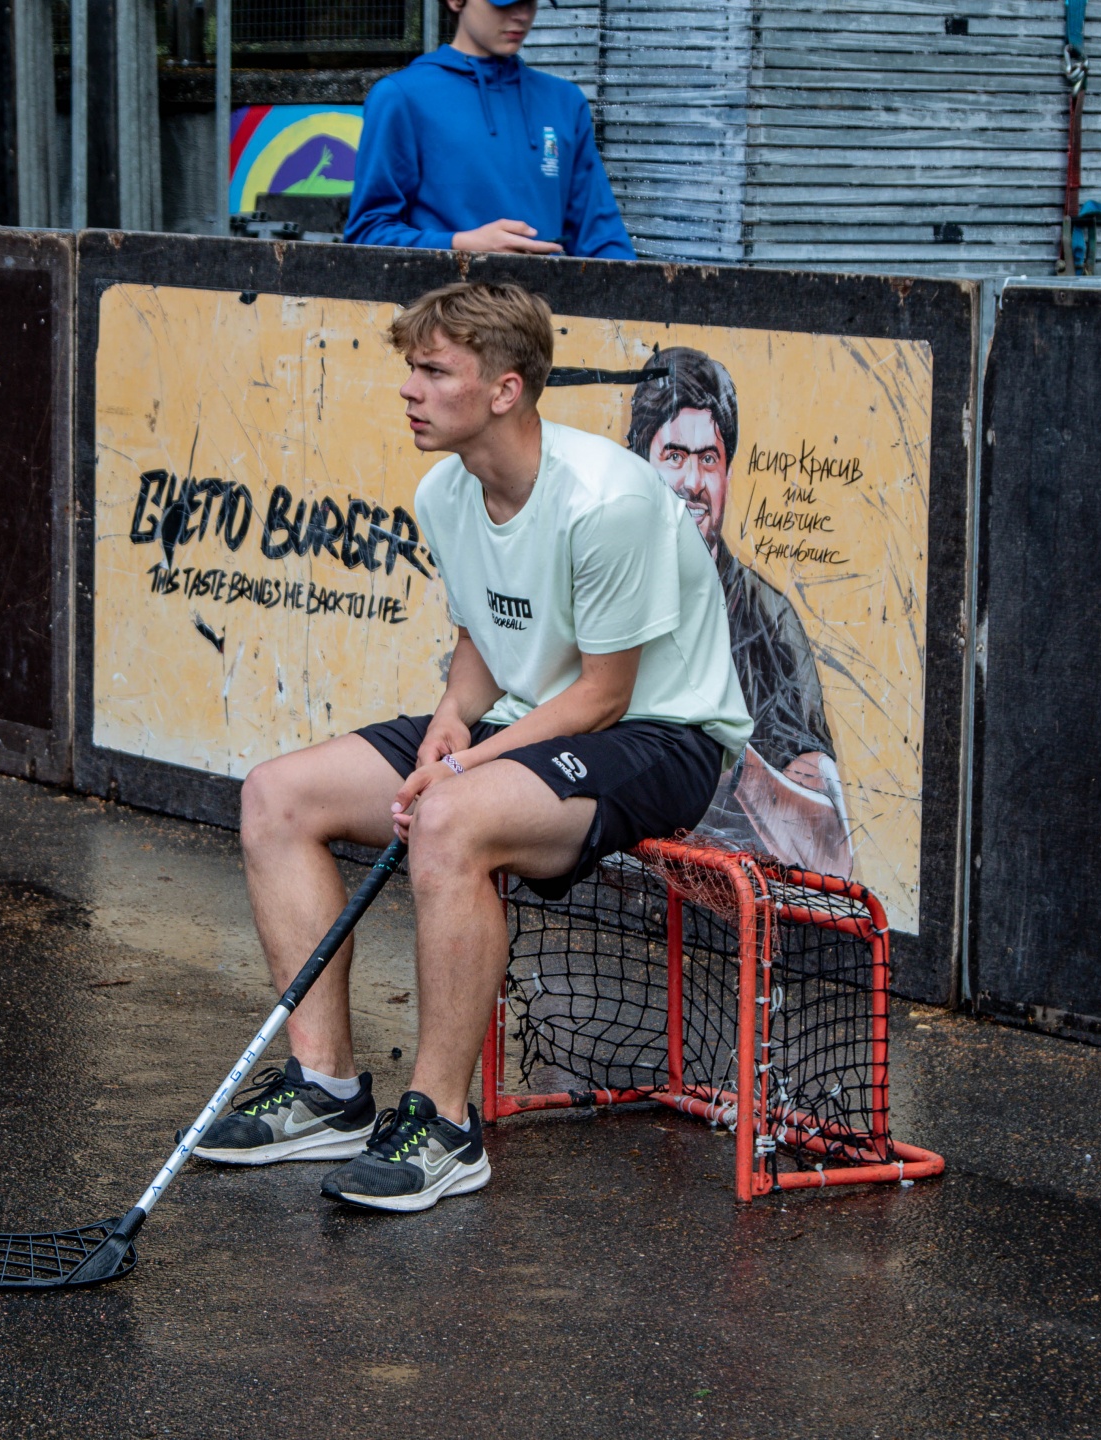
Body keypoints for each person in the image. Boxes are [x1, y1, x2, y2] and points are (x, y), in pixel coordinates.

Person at [194, 282, 747, 1211]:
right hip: (525, 717)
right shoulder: (444, 491)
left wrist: (467, 764)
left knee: (448, 819)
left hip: (661, 734)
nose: (409, 390)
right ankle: (325, 1092)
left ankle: (444, 1126)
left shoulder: (608, 498)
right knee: (277, 795)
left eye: (434, 371)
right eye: (411, 369)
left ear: (505, 389)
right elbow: (486, 638)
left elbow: (605, 695)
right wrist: (454, 716)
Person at [627, 347, 855, 879]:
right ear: (638, 464)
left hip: (729, 896)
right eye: (674, 456)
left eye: (709, 459)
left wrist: (727, 756)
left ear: (727, 472)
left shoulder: (767, 620)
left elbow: (831, 850)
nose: (693, 482)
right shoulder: (600, 580)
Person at [345, 0, 635, 258]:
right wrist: (460, 246)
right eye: (504, 2)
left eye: (529, 2)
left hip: (544, 302)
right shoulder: (402, 97)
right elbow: (367, 235)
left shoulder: (564, 102)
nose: (521, 15)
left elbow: (601, 239)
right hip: (447, 301)